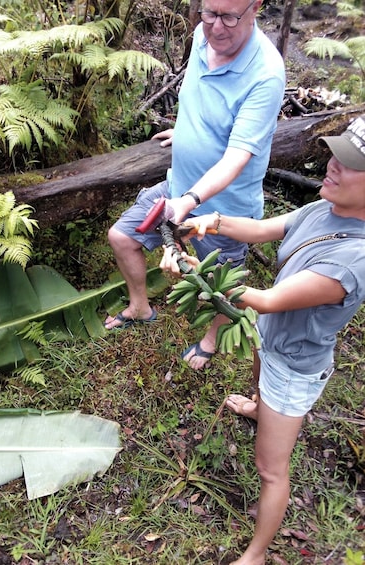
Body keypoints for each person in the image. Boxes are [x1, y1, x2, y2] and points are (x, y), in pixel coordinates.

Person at [160, 115, 365, 565]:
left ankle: (254, 555)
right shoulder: (322, 209)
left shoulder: (354, 260)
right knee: (259, 365)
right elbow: (265, 229)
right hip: (269, 340)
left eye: (350, 164)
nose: (332, 165)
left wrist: (198, 274)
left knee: (271, 470)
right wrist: (209, 223)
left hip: (294, 367)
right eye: (336, 153)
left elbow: (267, 300)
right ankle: (257, 405)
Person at [105, 0, 286, 363]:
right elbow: (200, 97)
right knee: (121, 237)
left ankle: (212, 338)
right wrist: (189, 132)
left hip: (225, 211)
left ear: (256, 9)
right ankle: (140, 306)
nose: (216, 27)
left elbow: (236, 158)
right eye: (209, 14)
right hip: (177, 186)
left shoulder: (266, 73)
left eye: (229, 17)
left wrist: (188, 202)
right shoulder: (204, 38)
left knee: (221, 285)